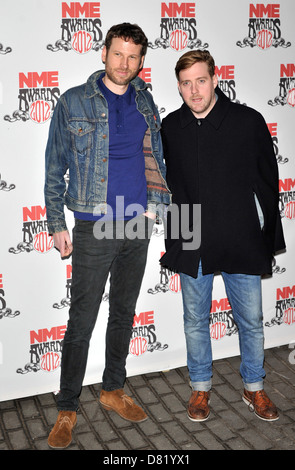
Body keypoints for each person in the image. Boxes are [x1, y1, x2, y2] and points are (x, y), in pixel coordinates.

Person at [44, 22, 170, 449]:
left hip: (138, 223)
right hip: (94, 224)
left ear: (140, 61)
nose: (125, 63)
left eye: (134, 56)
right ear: (103, 53)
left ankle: (113, 389)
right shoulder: (74, 101)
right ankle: (66, 407)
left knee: (123, 312)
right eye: (118, 53)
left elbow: (155, 158)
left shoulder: (146, 101)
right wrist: (57, 223)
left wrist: (160, 210)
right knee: (81, 320)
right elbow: (53, 167)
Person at [160, 49, 285, 423]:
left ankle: (254, 388)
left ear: (215, 79)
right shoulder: (170, 127)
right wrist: (175, 238)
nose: (194, 90)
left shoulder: (248, 121)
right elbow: (167, 186)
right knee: (195, 319)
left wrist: (263, 235)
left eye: (201, 80)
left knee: (250, 319)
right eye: (186, 83)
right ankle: (200, 388)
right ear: (179, 87)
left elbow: (267, 182)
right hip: (191, 233)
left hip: (238, 234)